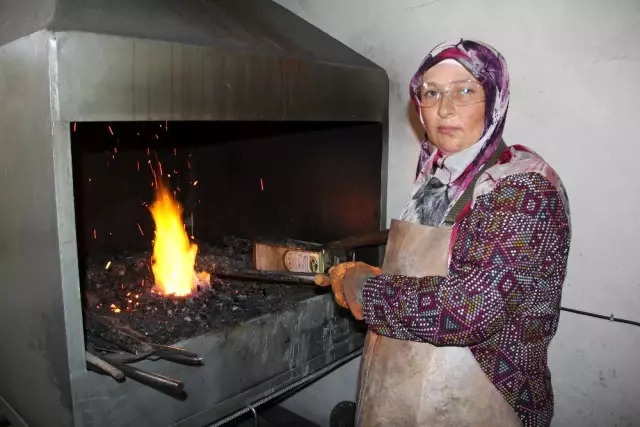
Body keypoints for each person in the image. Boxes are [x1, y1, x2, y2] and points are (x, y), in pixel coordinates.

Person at [320, 39, 571, 427]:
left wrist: (365, 290)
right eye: (431, 93)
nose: (444, 108)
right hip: (404, 387)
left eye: (465, 91)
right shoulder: (437, 174)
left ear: (495, 98)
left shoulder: (522, 189)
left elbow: (472, 308)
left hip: (482, 400)